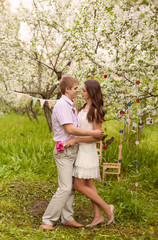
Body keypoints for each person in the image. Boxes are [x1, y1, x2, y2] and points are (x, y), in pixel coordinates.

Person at [40, 76, 104, 231]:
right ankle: (47, 221)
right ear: (67, 89)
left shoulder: (71, 105)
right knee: (65, 187)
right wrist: (94, 132)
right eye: (76, 88)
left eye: (79, 88)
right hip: (65, 151)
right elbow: (70, 129)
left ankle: (67, 217)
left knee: (70, 188)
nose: (78, 91)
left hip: (73, 150)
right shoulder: (62, 105)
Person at [64, 80, 115, 227]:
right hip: (80, 150)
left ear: (91, 92)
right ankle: (98, 216)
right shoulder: (83, 107)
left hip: (87, 152)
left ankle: (106, 207)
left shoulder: (95, 110)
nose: (81, 92)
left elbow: (96, 136)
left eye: (84, 90)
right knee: (89, 183)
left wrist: (76, 139)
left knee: (79, 185)